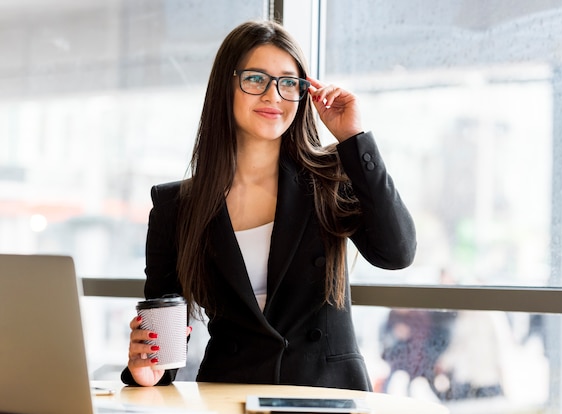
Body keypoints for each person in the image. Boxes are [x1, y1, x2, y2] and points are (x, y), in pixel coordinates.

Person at [121, 19, 416, 391]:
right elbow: (162, 332)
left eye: (288, 83)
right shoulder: (175, 207)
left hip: (326, 395)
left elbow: (397, 252)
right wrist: (148, 370)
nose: (273, 96)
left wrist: (353, 139)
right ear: (225, 86)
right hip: (228, 395)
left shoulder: (330, 177)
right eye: (256, 79)